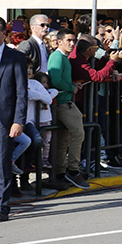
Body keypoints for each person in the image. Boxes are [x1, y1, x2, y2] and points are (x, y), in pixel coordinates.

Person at [47, 29, 90, 190]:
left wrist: (72, 85)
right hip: (62, 103)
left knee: (63, 138)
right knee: (77, 133)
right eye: (69, 40)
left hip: (64, 101)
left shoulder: (62, 57)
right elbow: (56, 80)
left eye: (74, 41)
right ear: (59, 42)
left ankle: (60, 172)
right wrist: (72, 87)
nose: (72, 44)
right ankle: (73, 170)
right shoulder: (57, 57)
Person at [0, 18, 28, 220]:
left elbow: (21, 92)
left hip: (4, 120)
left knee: (2, 164)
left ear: (4, 34)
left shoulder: (15, 57)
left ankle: (2, 206)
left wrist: (18, 120)